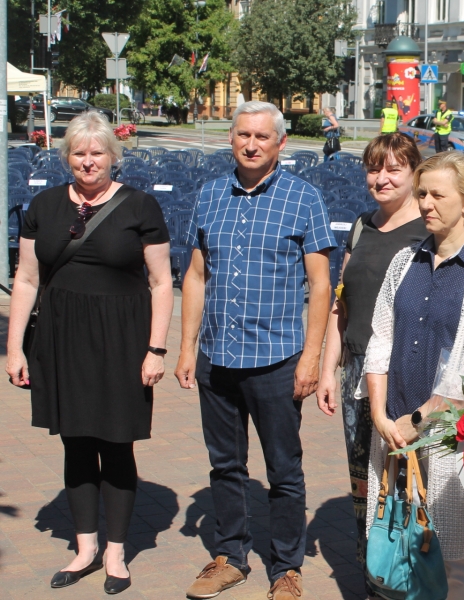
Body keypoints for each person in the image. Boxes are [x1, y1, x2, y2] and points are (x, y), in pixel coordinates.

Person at [5, 112, 173, 595]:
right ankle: (85, 550)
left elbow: (162, 283)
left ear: (113, 156)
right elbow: (26, 279)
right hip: (61, 339)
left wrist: (156, 349)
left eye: (97, 152)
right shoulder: (44, 205)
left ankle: (116, 554)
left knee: (116, 444)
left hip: (122, 341)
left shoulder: (140, 206)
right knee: (76, 443)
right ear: (67, 157)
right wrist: (15, 348)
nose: (88, 161)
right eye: (79, 152)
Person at [174, 101, 336, 600]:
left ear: (280, 143)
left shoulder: (303, 198)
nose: (251, 144)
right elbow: (196, 276)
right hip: (217, 357)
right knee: (225, 465)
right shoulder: (209, 195)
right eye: (243, 134)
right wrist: (187, 348)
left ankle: (286, 567)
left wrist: (312, 357)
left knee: (283, 470)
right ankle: (230, 556)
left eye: (262, 136)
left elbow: (320, 284)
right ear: (231, 137)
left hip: (277, 359)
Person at [364, 151, 464, 599]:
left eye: (437, 195)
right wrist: (379, 414)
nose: (426, 203)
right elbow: (381, 336)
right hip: (394, 427)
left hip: (449, 436)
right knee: (400, 536)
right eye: (422, 193)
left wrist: (420, 420)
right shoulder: (404, 261)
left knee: (453, 555)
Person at [315, 133, 428, 592]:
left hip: (405, 374)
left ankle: (410, 580)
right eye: (374, 168)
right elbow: (341, 302)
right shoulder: (362, 226)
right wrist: (328, 368)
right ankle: (374, 576)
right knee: (364, 479)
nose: (381, 178)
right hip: (356, 370)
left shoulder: (429, 228)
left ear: (415, 173)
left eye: (394, 169)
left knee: (406, 480)